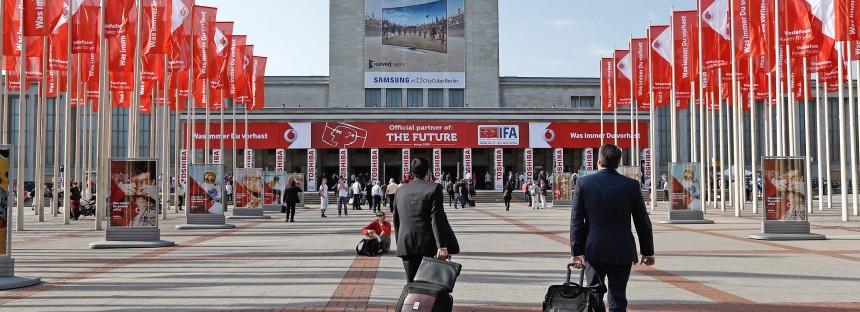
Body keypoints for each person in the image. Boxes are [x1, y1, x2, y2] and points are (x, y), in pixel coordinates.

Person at [570, 144, 655, 311]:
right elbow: (642, 221)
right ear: (619, 162)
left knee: (593, 294)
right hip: (622, 249)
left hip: (593, 249)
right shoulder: (631, 185)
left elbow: (576, 221)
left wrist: (577, 252)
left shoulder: (584, 183)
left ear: (599, 161)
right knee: (618, 295)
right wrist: (647, 251)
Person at [394, 158, 459, 283]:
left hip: (406, 245)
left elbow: (397, 219)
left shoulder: (400, 190)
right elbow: (436, 217)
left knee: (411, 284)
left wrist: (399, 242)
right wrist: (442, 246)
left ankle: (410, 303)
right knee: (428, 285)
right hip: (428, 245)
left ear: (412, 173)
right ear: (428, 172)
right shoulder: (434, 188)